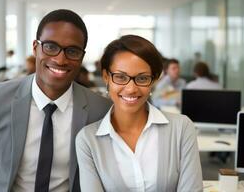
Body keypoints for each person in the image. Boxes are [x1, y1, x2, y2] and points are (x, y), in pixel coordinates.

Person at [0, 9, 111, 192]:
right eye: (50, 46)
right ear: (35, 48)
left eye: (72, 51)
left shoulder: (101, 110)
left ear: (81, 56)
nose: (60, 59)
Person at [76, 35, 203, 192]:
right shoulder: (87, 140)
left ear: (154, 80)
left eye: (142, 78)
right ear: (106, 77)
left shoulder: (182, 128)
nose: (131, 89)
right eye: (121, 77)